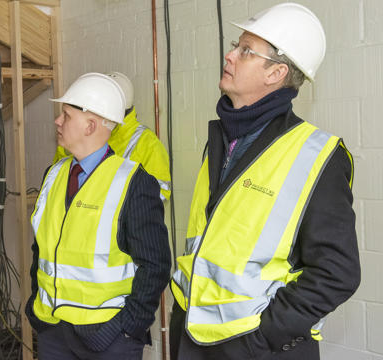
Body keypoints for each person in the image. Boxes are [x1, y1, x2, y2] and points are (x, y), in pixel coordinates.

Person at [168, 3, 361, 360]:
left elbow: (337, 273)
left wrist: (262, 337)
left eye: (245, 51)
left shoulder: (318, 154)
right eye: (235, 46)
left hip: (256, 349)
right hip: (194, 340)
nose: (229, 56)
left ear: (276, 73)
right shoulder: (221, 140)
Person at [26, 72, 172, 359]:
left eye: (66, 116)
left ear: (90, 125)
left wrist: (128, 327)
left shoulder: (134, 182)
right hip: (53, 330)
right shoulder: (54, 174)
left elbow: (155, 265)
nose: (57, 121)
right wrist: (36, 311)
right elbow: (41, 249)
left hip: (108, 338)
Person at [52, 71, 171, 202]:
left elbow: (161, 190)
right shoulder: (72, 138)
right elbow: (56, 184)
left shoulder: (145, 142)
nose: (58, 121)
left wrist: (124, 208)